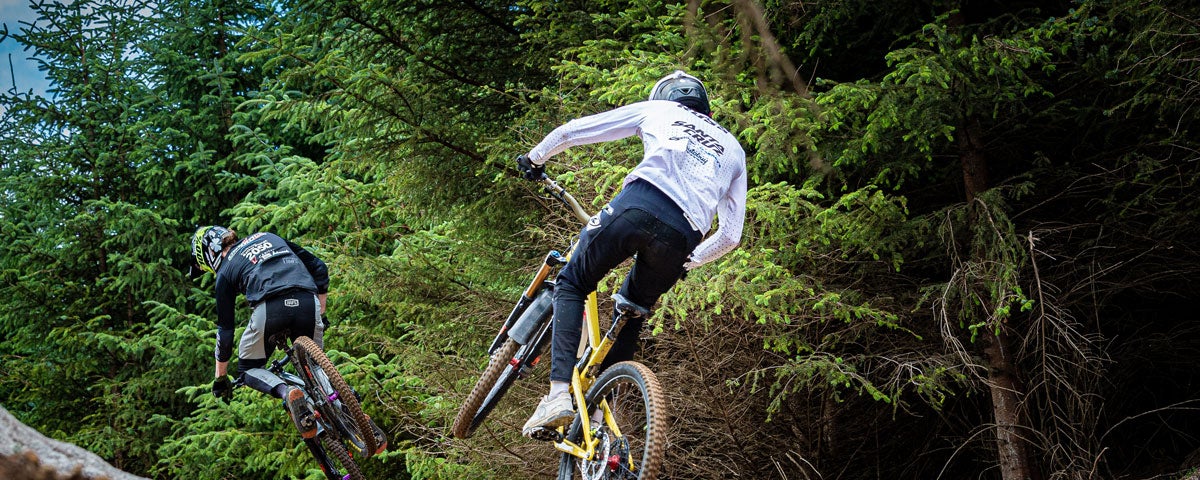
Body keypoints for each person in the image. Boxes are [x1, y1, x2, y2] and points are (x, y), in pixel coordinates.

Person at [516, 70, 747, 437]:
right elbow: (731, 234)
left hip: (638, 205)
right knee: (631, 313)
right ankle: (595, 413)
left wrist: (535, 157)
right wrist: (692, 260)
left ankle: (559, 393)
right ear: (708, 110)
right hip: (682, 238)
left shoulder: (659, 111)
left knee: (573, 281)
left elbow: (577, 130)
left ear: (664, 97)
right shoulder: (733, 148)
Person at [191, 225, 330, 439]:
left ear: (209, 254)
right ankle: (349, 410)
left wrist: (221, 377)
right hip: (307, 301)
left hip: (270, 308)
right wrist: (320, 311)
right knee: (314, 363)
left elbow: (225, 331)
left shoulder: (225, 271)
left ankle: (288, 393)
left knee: (248, 369)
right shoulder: (269, 236)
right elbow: (319, 267)